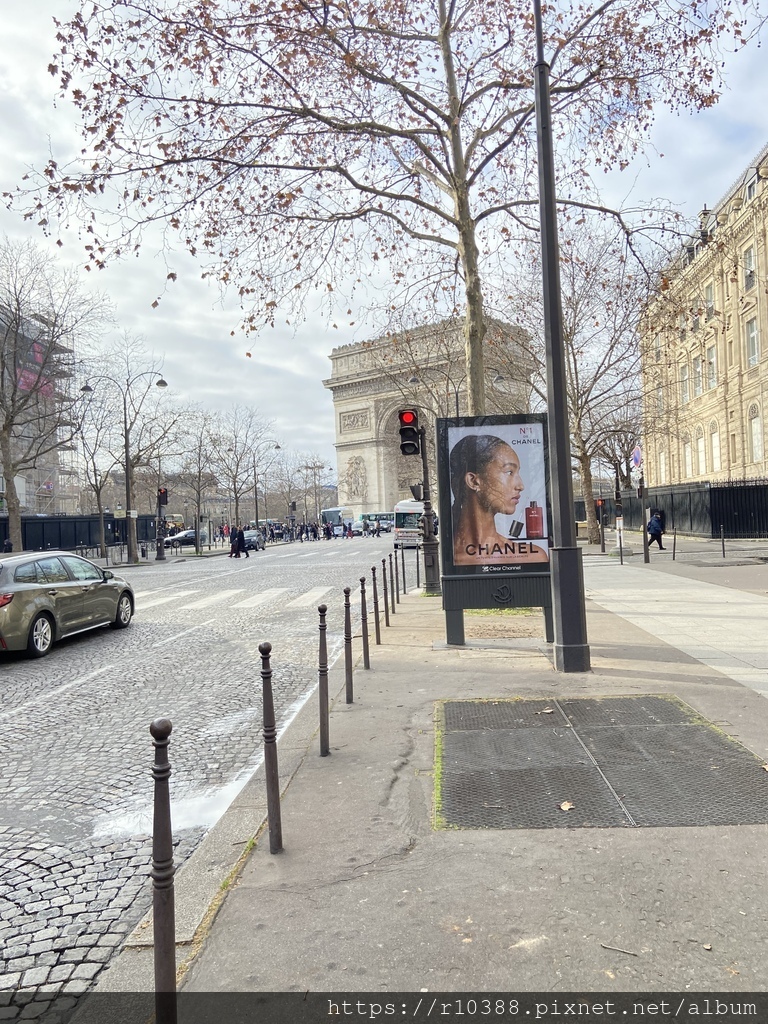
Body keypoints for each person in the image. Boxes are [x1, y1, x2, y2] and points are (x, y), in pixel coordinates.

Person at [450, 433, 548, 566]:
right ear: (474, 481)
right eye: (509, 472)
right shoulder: (452, 557)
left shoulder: (533, 556)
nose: (520, 486)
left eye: (517, 472)